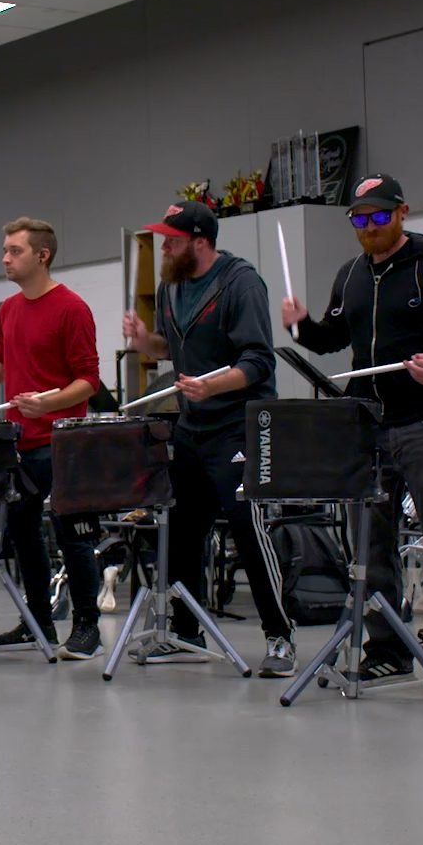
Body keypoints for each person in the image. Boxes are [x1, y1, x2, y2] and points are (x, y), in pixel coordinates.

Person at [281, 174, 423, 699]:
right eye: (359, 218)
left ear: (403, 212)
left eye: (379, 217)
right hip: (370, 425)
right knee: (371, 548)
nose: (369, 228)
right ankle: (388, 652)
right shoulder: (351, 274)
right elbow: (334, 338)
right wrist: (304, 327)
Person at [121, 201, 296, 674]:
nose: (165, 246)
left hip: (236, 424)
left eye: (172, 239)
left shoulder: (240, 283)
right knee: (180, 530)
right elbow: (169, 348)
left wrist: (210, 385)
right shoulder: (171, 286)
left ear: (200, 240)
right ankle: (183, 632)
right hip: (191, 425)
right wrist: (144, 342)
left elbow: (259, 361)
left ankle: (280, 636)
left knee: (248, 529)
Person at [0, 217, 104, 659]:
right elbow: (3, 366)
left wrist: (49, 404)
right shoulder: (7, 310)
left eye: (14, 251)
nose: (5, 258)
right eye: (4, 250)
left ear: (42, 255)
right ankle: (37, 622)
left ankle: (87, 628)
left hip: (61, 441)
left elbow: (90, 382)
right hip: (17, 443)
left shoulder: (72, 308)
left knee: (73, 536)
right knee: (22, 536)